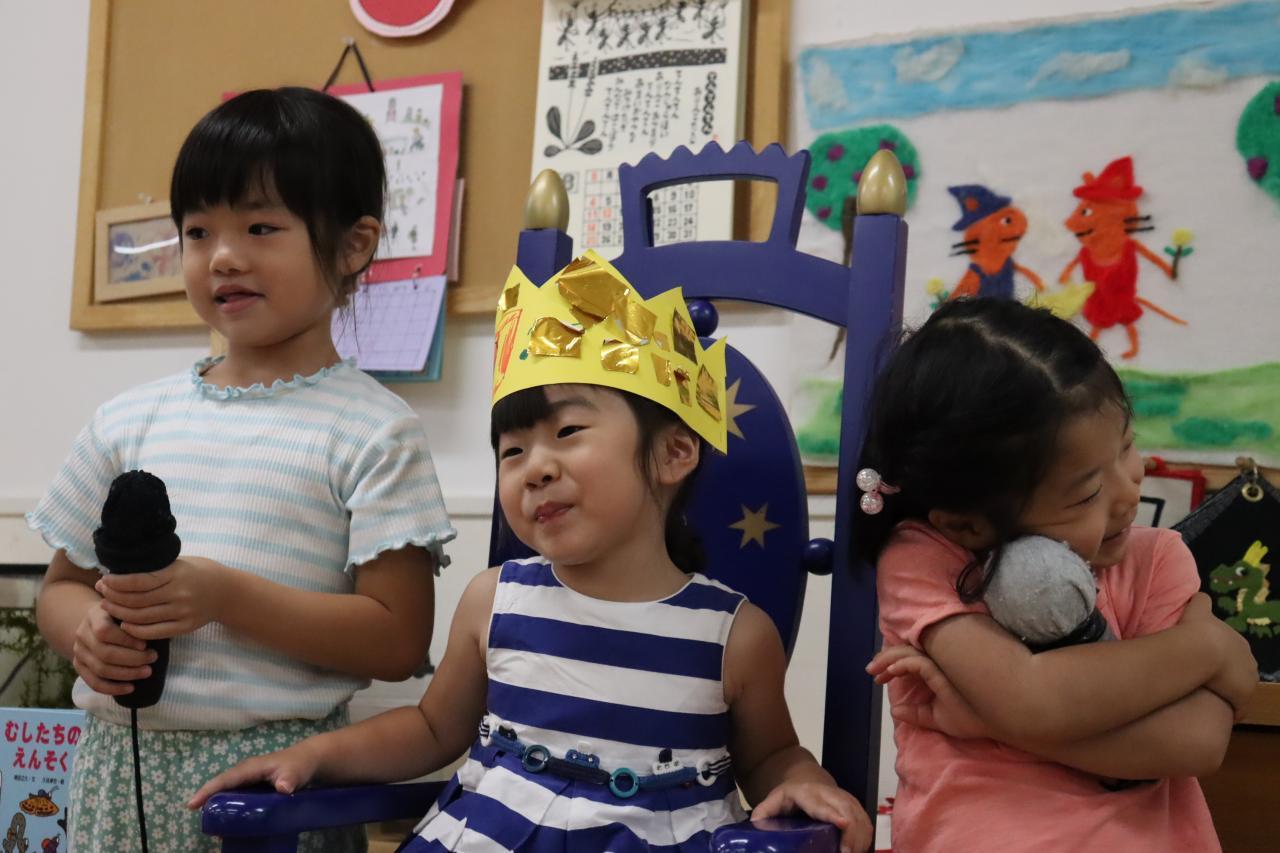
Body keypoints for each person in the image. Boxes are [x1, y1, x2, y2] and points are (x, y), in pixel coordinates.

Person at [189, 253, 873, 852]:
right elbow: (431, 728)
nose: (535, 468)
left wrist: (803, 781)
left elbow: (771, 756)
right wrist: (313, 756)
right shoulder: (496, 599)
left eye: (568, 431)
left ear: (673, 453)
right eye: (512, 450)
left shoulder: (732, 635)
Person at [30, 88, 455, 852]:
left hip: (277, 786)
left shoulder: (374, 430)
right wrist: (84, 632)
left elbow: (398, 638)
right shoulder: (128, 419)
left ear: (354, 245)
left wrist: (227, 595)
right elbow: (61, 588)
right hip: (115, 773)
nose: (223, 255)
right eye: (199, 231)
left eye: (261, 227)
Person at [852, 297, 1255, 851]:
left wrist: (981, 720)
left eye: (1127, 446)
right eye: (1087, 493)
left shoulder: (1157, 557)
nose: (1128, 491)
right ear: (969, 523)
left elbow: (1196, 742)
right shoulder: (927, 558)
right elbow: (1032, 699)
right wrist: (1206, 647)